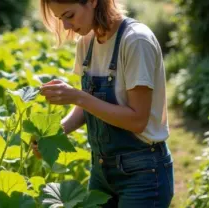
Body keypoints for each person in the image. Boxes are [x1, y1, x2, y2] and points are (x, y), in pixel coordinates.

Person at [31, 0, 174, 207]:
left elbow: (137, 120)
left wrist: (77, 96)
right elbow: (91, 103)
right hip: (101, 170)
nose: (66, 27)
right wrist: (56, 133)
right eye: (60, 19)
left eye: (69, 16)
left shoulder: (136, 41)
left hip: (143, 173)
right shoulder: (87, 42)